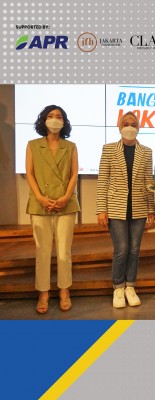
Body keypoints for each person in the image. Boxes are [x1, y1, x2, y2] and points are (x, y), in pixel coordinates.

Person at [96, 112, 155, 308]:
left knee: (135, 250)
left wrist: (151, 209)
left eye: (133, 124)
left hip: (139, 207)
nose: (130, 127)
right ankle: (118, 287)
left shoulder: (146, 151)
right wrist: (101, 209)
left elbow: (148, 181)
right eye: (126, 123)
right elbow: (103, 180)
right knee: (121, 249)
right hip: (116, 207)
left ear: (139, 127)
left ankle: (130, 286)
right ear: (119, 127)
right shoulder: (109, 149)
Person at [26, 105, 80, 314]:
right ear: (44, 120)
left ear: (64, 122)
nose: (54, 119)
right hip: (40, 203)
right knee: (42, 250)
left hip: (66, 203)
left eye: (58, 116)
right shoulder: (32, 145)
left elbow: (74, 174)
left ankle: (64, 290)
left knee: (64, 251)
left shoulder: (71, 146)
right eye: (50, 116)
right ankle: (43, 292)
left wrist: (66, 197)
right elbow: (30, 173)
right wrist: (40, 198)